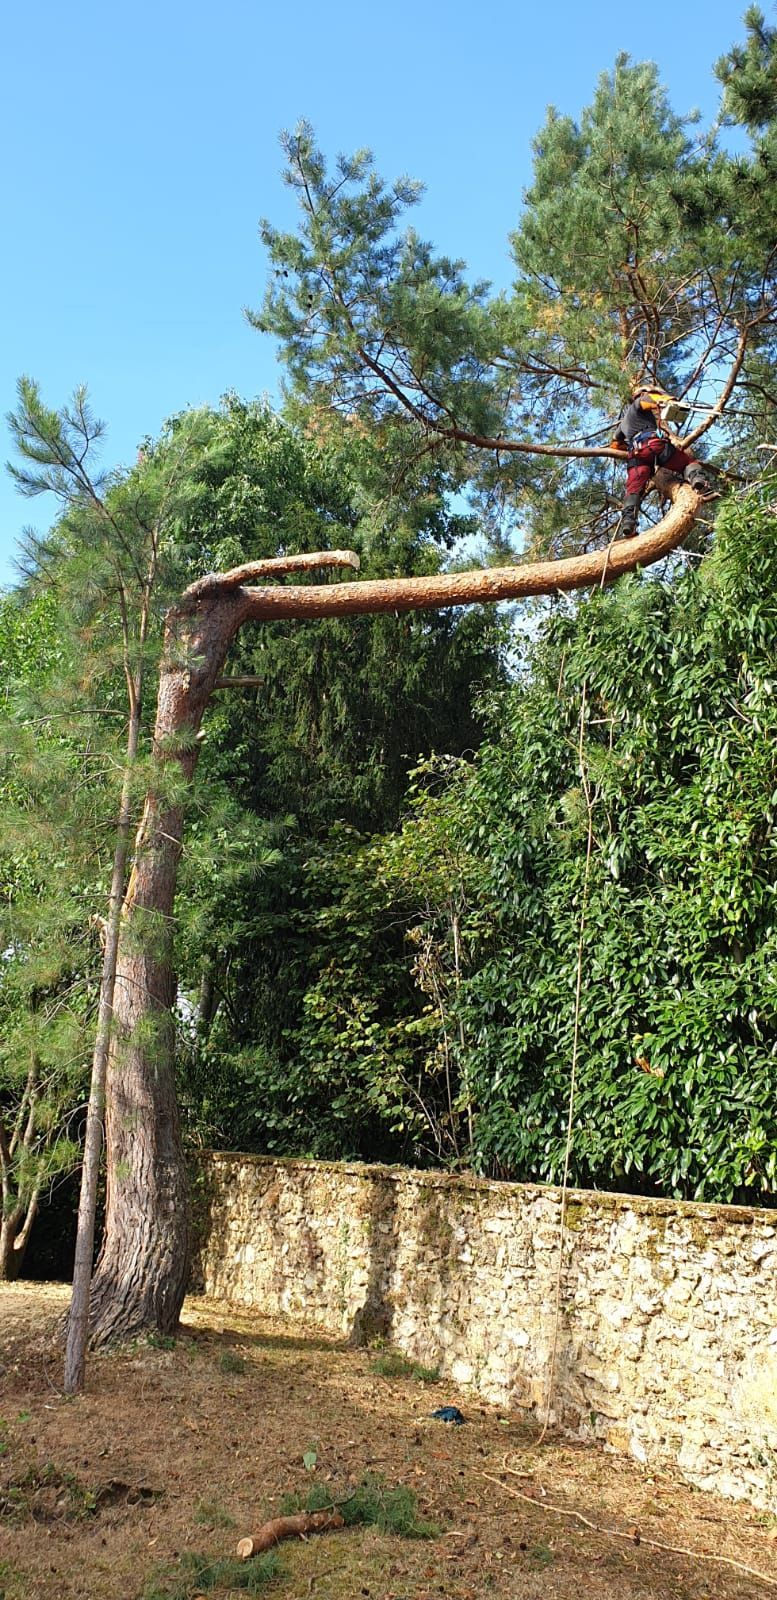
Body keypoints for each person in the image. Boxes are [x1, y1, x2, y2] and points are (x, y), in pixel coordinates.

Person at [612, 386, 710, 537]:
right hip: (653, 445)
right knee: (687, 462)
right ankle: (697, 479)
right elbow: (649, 400)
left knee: (634, 489)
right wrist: (669, 400)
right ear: (641, 394)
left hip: (636, 456)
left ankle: (628, 522)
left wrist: (633, 444)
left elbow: (615, 444)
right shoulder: (640, 402)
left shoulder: (624, 423)